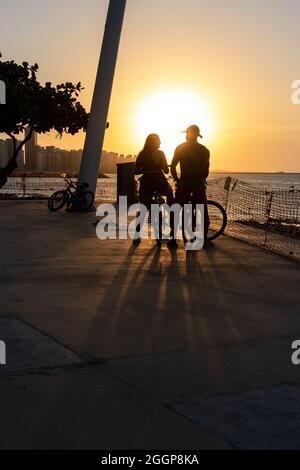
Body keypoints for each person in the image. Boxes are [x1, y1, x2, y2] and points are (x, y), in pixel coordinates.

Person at [171, 125, 212, 248]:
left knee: (176, 209)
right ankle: (204, 240)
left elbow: (172, 167)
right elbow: (206, 170)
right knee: (203, 211)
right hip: (198, 184)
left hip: (184, 183)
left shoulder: (180, 148)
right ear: (197, 135)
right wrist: (202, 180)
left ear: (188, 134)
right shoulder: (204, 150)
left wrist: (177, 180)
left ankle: (173, 238)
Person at [134, 134, 177, 247]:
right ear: (154, 142)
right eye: (159, 140)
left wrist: (145, 169)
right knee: (170, 195)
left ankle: (136, 235)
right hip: (159, 183)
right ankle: (172, 224)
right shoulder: (160, 153)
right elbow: (166, 171)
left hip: (146, 183)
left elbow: (136, 171)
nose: (160, 142)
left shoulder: (142, 154)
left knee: (143, 208)